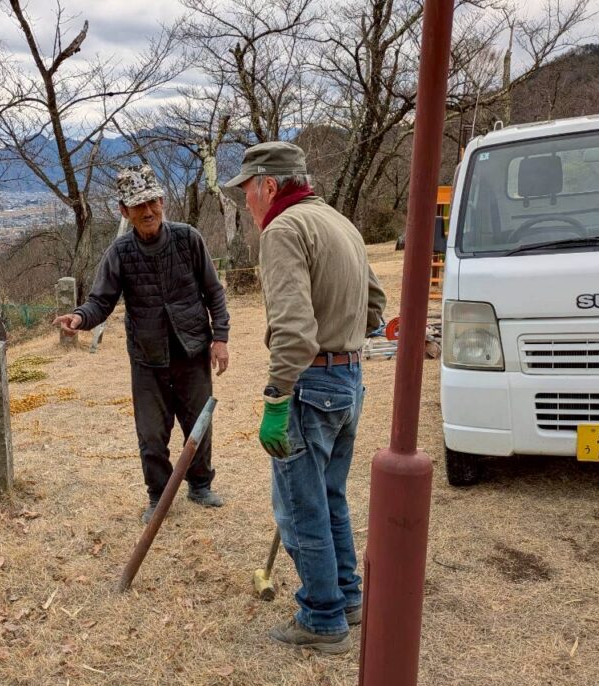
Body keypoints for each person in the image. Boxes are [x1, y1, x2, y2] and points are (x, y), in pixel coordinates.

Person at [225, 141, 387, 654]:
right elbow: (376, 305)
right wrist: (344, 338)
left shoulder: (284, 230)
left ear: (268, 185)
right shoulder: (340, 224)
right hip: (349, 380)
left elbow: (294, 333)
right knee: (330, 496)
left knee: (300, 508)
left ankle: (322, 617)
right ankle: (348, 598)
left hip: (310, 387)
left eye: (247, 194)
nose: (247, 206)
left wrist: (276, 399)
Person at [54, 164, 230, 522]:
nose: (147, 211)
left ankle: (200, 485)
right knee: (151, 434)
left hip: (192, 349)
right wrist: (80, 318)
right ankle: (158, 497)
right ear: (124, 211)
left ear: (162, 201)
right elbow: (100, 301)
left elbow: (214, 292)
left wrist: (220, 339)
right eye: (138, 206)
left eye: (152, 202)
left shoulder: (188, 239)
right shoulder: (119, 253)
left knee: (198, 424)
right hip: (147, 358)